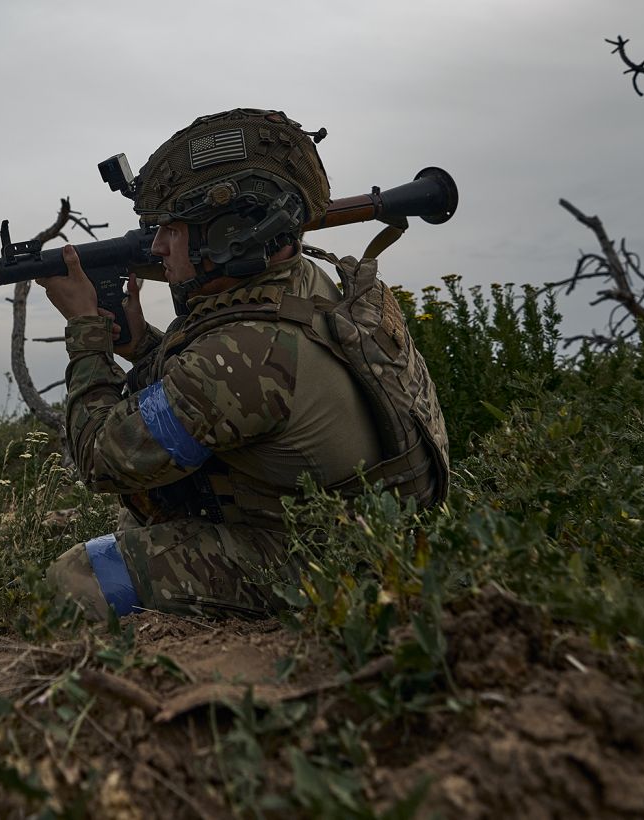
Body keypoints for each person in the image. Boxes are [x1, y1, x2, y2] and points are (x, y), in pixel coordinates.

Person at [39, 108, 447, 619]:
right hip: (368, 535)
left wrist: (86, 334)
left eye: (172, 229)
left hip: (326, 566)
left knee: (79, 578)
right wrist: (143, 346)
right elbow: (225, 390)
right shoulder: (308, 281)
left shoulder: (247, 353)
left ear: (229, 233)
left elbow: (104, 458)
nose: (158, 246)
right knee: (141, 524)